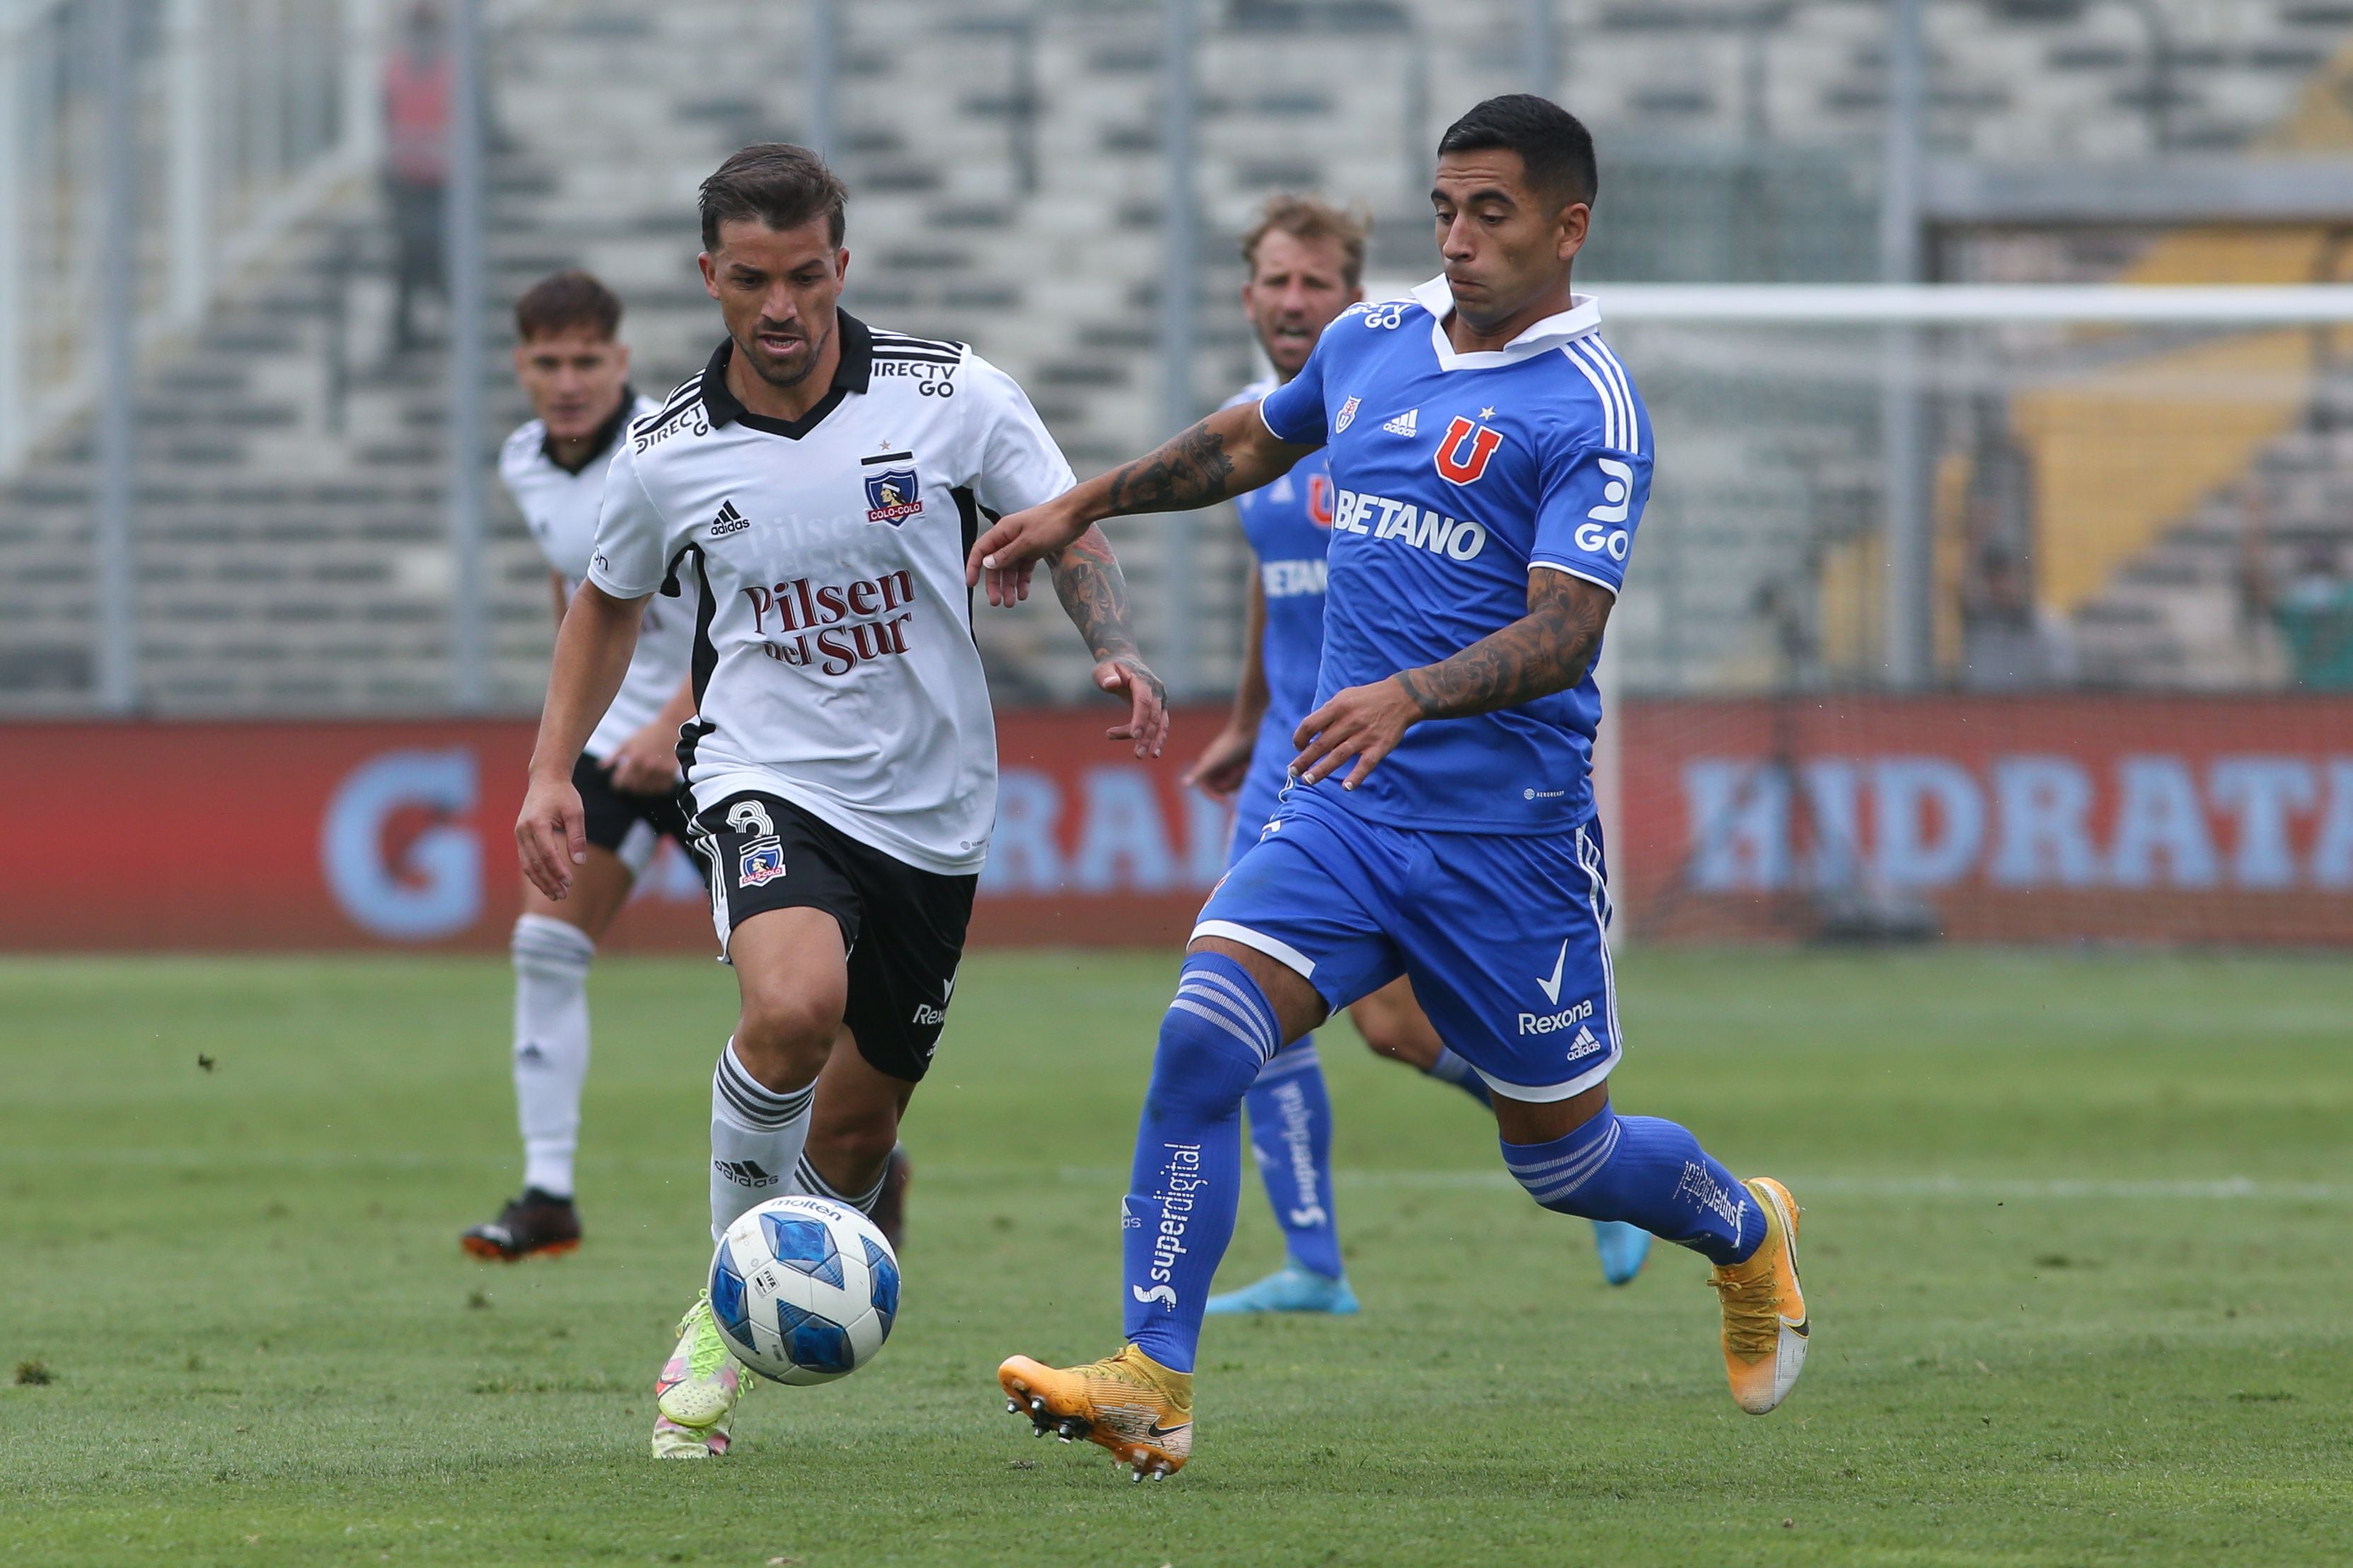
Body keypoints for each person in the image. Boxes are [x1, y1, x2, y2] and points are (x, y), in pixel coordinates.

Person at [975, 96, 1808, 1482]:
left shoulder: (1588, 407)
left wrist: (1412, 689)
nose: (1460, 237)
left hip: (1508, 842)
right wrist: (1088, 500)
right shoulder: (1372, 343)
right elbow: (1251, 440)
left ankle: (1745, 1226)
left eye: (1491, 212)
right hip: (1345, 811)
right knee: (1200, 1041)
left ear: (1566, 225)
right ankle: (1151, 1379)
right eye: (1443, 209)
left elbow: (1567, 629)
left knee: (1563, 1160)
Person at [513, 143, 1168, 1460]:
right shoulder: (666, 450)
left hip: (934, 807)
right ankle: (718, 1318)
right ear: (710, 277)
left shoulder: (954, 395)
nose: (780, 307)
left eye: (805, 275)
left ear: (841, 266)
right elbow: (606, 604)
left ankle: (772, 1284)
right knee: (792, 1005)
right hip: (765, 769)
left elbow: (1069, 525)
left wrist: (1114, 640)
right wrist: (547, 770)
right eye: (750, 278)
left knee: (859, 1130)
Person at [1186, 196, 1651, 1317]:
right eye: (1273, 282)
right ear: (1246, 296)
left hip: (1409, 769)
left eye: (1315, 283)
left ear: (1352, 295)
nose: (1292, 302)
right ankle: (1310, 1263)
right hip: (1296, 764)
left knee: (1396, 1030)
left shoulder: (1396, 406)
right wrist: (1249, 718)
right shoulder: (1253, 433)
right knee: (1227, 1013)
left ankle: (1588, 1157)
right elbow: (1279, 595)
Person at [458, 270, 717, 1262]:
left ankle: (864, 1159)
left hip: (720, 732)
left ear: (621, 362)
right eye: (547, 363)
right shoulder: (523, 459)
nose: (567, 382)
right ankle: (548, 1193)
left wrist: (671, 720)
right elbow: (580, 597)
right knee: (545, 946)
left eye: (586, 361)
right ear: (522, 368)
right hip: (615, 747)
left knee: (785, 982)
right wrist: (571, 745)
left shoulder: (677, 449)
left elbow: (747, 602)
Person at [381, 2, 450, 354]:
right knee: (410, 261)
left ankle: (444, 331)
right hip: (409, 184)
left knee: (439, 260)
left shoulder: (451, 75)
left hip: (443, 186)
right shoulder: (395, 74)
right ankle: (406, 335)